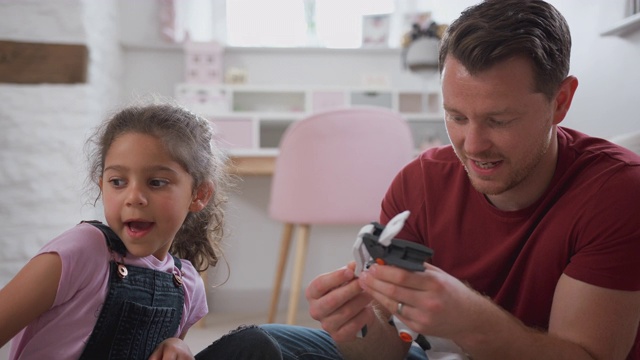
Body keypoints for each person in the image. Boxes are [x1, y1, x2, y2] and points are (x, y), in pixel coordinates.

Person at [255, 1, 640, 359]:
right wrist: (357, 327)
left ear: (560, 102)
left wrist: (473, 322)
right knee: (257, 344)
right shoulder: (418, 185)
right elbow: (390, 352)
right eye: (456, 117)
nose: (473, 146)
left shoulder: (617, 192)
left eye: (499, 121)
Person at [0, 101, 281, 359]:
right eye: (118, 182)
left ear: (199, 194)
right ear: (102, 185)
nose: (134, 197)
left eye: (156, 182)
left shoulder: (188, 286)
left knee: (257, 345)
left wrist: (177, 345)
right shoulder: (81, 250)